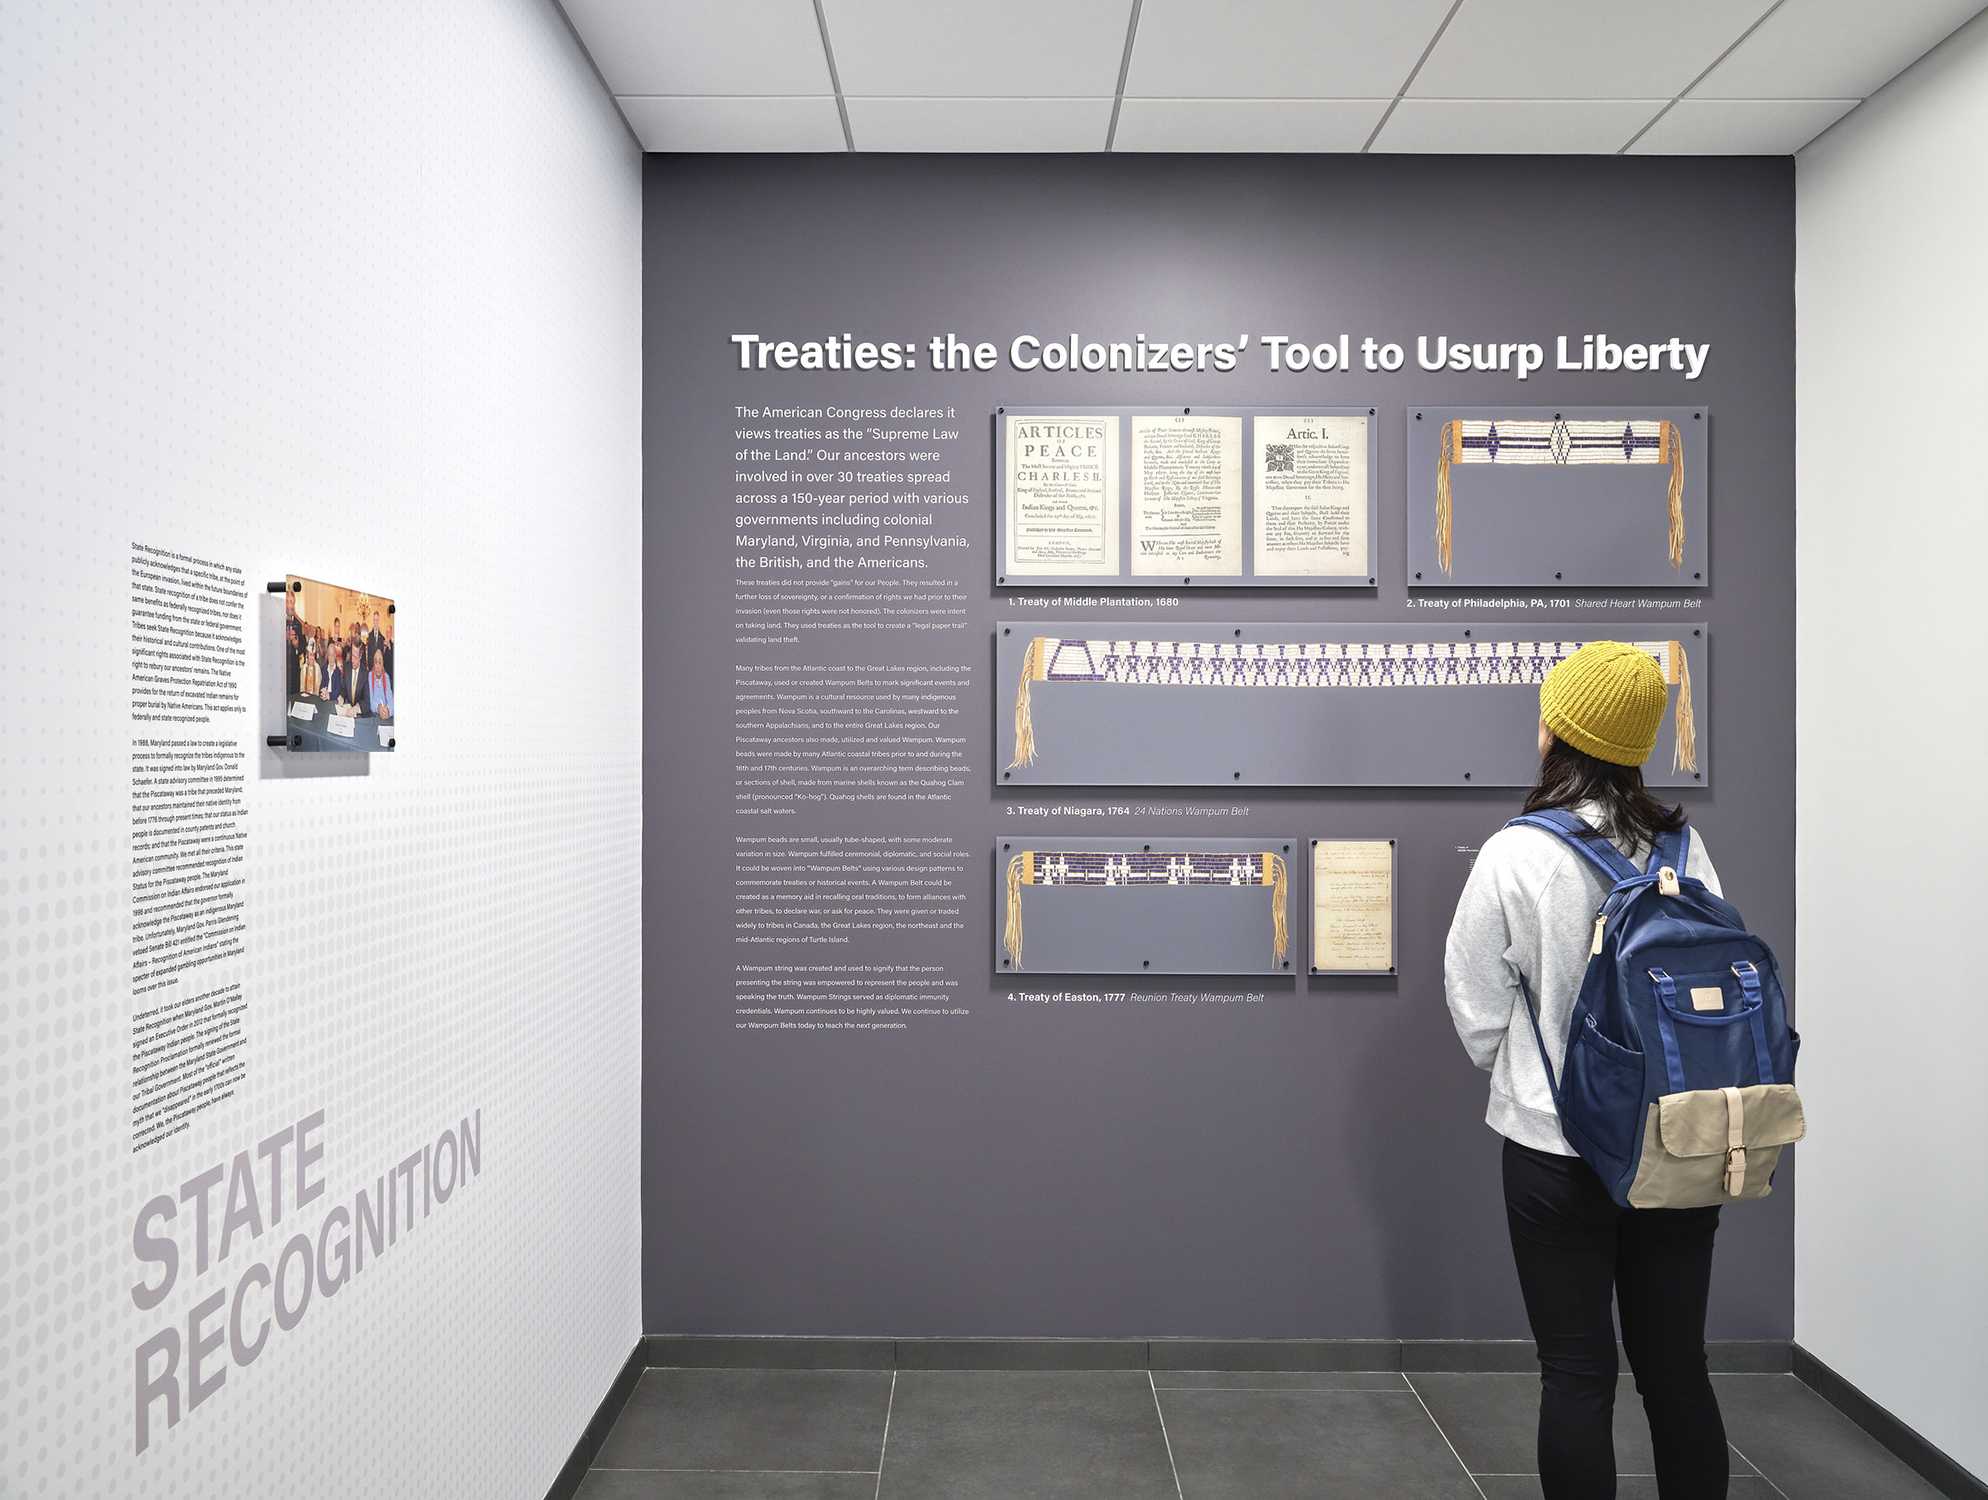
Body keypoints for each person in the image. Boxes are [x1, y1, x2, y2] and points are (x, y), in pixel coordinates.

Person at [1445, 642, 1728, 1500]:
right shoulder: (1685, 848)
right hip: (1678, 1143)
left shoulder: (1516, 853)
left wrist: (1528, 1076)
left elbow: (1474, 1006)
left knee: (1575, 1373)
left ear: (1558, 732)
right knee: (1677, 1369)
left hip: (1554, 1147)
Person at [367, 648, 393, 721]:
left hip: (385, 715)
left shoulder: (386, 677)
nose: (378, 666)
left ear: (382, 664)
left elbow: (390, 698)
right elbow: (369, 700)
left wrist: (388, 710)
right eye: (376, 662)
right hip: (374, 715)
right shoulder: (369, 676)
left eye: (380, 662)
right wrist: (378, 708)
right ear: (373, 664)